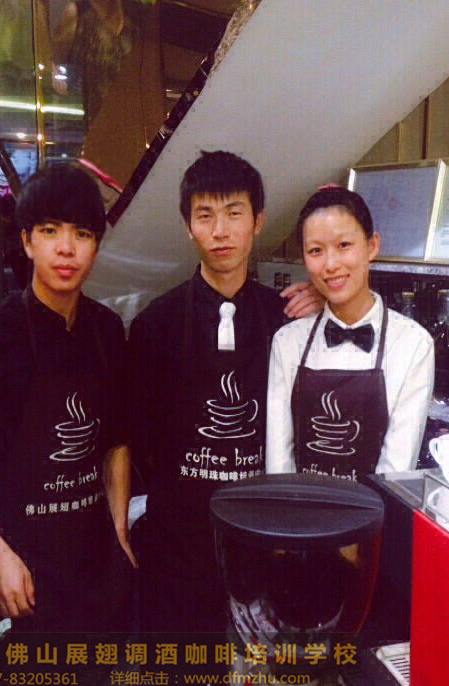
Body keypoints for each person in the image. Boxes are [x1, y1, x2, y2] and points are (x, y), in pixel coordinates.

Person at [0, 164, 135, 637]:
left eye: (82, 234)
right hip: (16, 567)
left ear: (96, 247)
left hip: (94, 569)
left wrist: (120, 536)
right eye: (50, 231)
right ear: (26, 242)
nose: (66, 248)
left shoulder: (107, 330)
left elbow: (116, 442)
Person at [127, 150, 321, 633]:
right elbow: (141, 440)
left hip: (264, 537)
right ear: (187, 226)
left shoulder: (287, 320)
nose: (220, 231)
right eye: (205, 215)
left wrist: (328, 300)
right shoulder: (155, 323)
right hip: (177, 545)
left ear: (257, 222)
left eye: (234, 213)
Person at [266, 186, 434, 481]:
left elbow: (397, 468)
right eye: (316, 251)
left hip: (375, 508)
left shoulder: (413, 344)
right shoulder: (287, 342)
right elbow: (279, 464)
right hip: (298, 506)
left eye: (344, 245)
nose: (331, 265)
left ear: (372, 246)